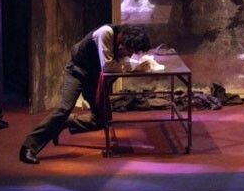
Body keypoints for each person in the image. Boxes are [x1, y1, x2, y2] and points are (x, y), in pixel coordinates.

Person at [19, 24, 151, 164]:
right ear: (123, 38)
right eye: (130, 50)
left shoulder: (121, 44)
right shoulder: (106, 33)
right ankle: (29, 147)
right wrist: (135, 66)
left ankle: (64, 123)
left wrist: (134, 64)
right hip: (77, 72)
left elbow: (121, 64)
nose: (130, 55)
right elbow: (108, 67)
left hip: (93, 78)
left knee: (103, 120)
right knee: (64, 109)